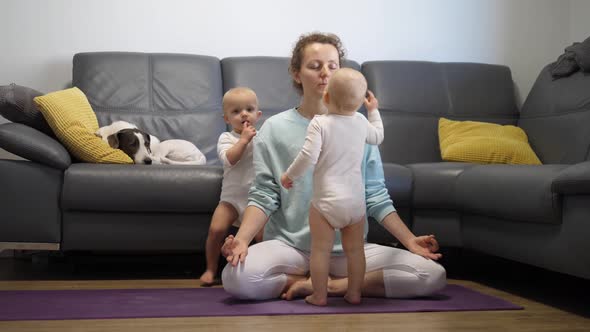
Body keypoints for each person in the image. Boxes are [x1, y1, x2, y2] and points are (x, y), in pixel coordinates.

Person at [221, 32, 446, 301]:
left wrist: (410, 241)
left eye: (333, 66)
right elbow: (264, 195)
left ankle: (330, 286)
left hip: (349, 251)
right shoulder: (274, 128)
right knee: (236, 278)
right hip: (291, 248)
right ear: (296, 73)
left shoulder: (360, 127)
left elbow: (375, 195)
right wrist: (243, 240)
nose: (325, 73)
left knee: (432, 275)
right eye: (315, 66)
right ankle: (314, 279)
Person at [279, 68, 384, 306]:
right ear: (358, 103)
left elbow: (307, 157)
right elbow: (378, 136)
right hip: (355, 204)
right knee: (355, 252)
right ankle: (355, 293)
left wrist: (289, 175)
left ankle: (319, 295)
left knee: (320, 251)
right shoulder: (360, 121)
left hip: (326, 202)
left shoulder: (320, 123)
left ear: (326, 98)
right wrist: (373, 111)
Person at [199, 87, 263, 285]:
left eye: (249, 109)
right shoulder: (226, 138)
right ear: (226, 119)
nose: (243, 114)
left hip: (257, 200)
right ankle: (210, 269)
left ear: (258, 115)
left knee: (263, 238)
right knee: (216, 230)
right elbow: (230, 159)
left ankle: (262, 268)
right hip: (231, 200)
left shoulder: (263, 137)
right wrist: (244, 140)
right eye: (236, 111)